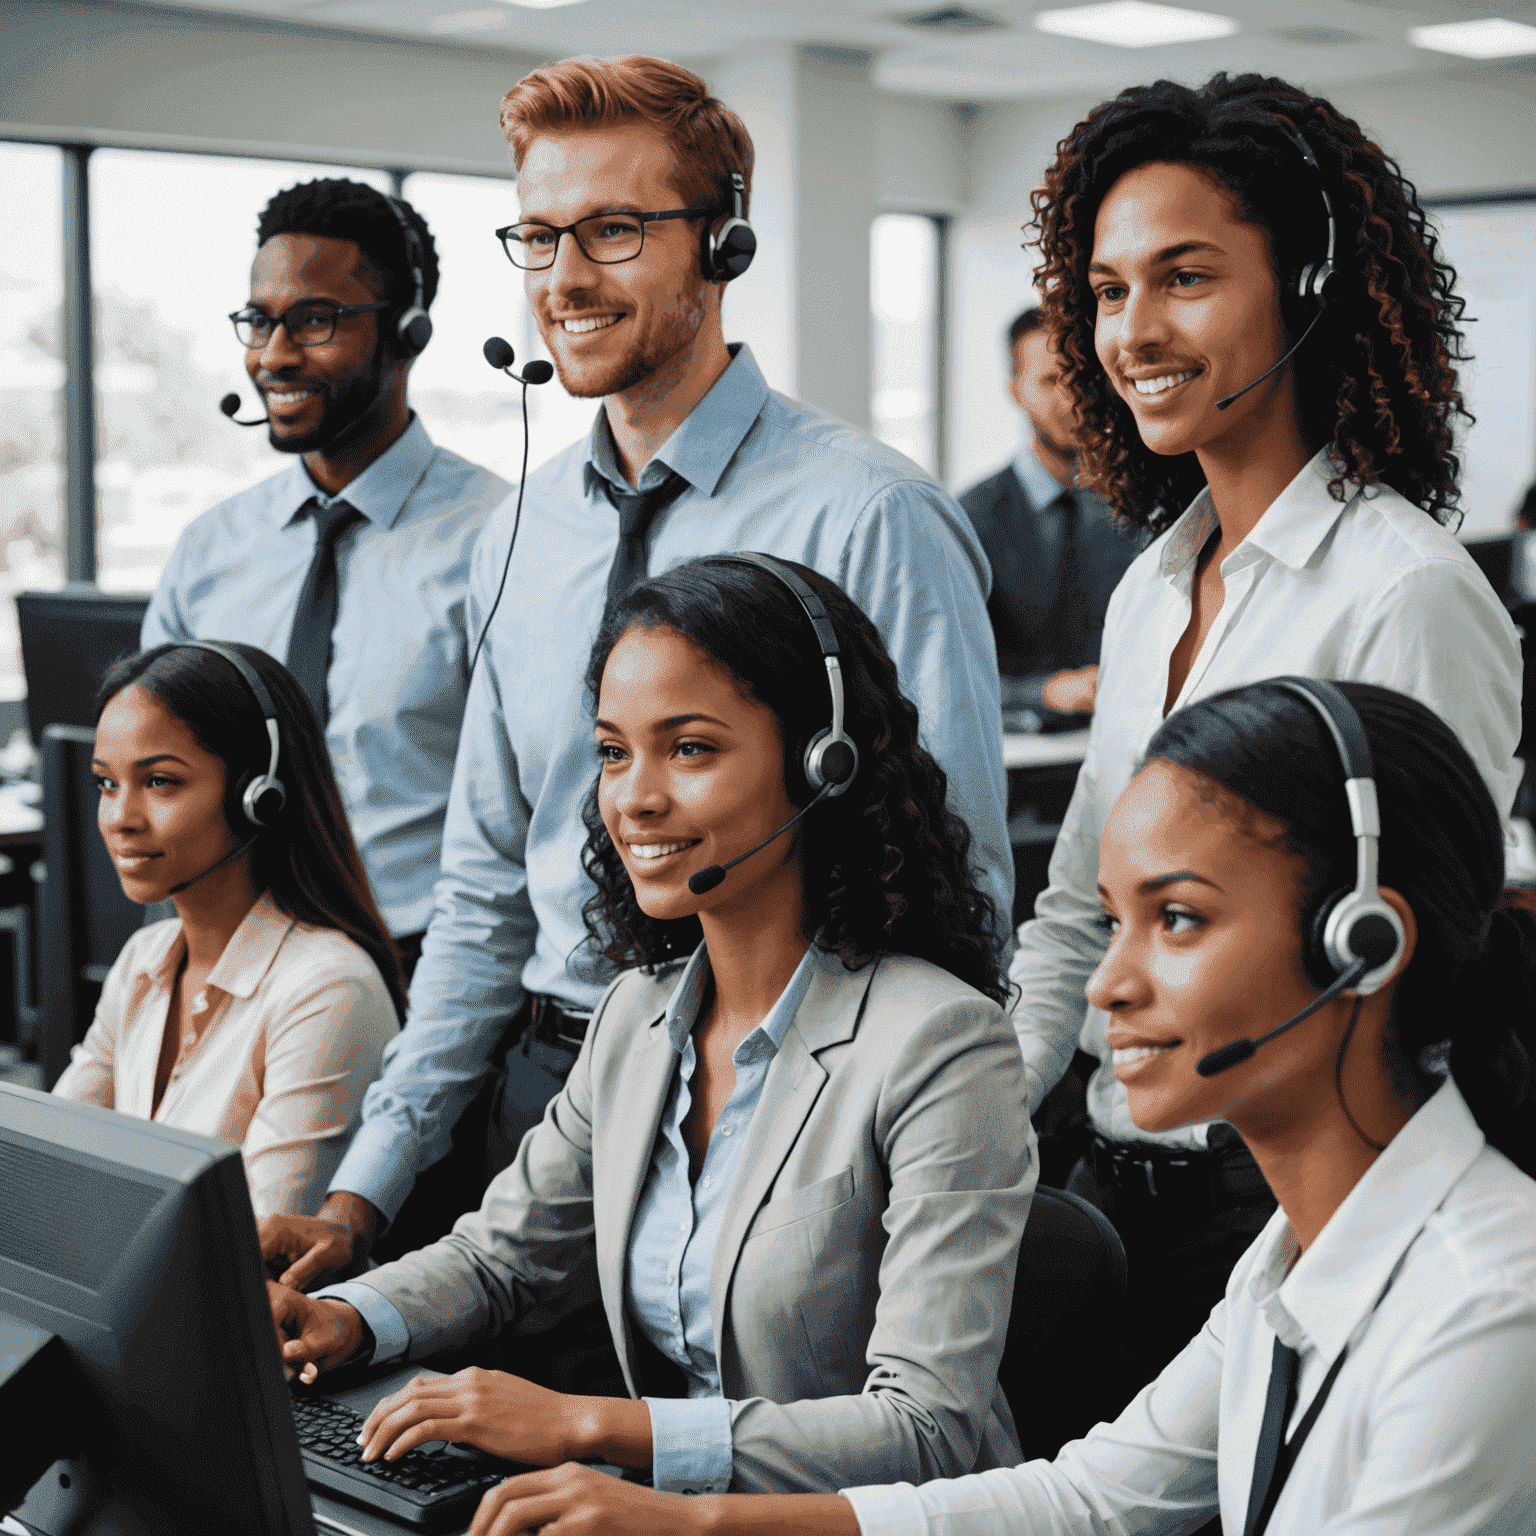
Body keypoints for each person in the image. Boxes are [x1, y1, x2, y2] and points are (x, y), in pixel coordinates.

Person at [259, 56, 1011, 1296]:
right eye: (540, 237)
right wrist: (360, 1192)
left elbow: (963, 883)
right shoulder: (513, 533)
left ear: (723, 243)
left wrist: (920, 1159)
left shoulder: (871, 515)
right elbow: (485, 891)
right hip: (551, 1089)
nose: (565, 278)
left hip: (791, 1107)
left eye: (613, 231)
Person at [461, 678, 1536, 1534]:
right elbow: (1089, 1503)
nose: (1107, 986)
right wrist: (684, 1524)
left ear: (1363, 946)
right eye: (1115, 922)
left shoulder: (1488, 1307)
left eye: (1179, 920)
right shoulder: (1292, 1266)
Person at [268, 556, 1035, 1501]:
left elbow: (927, 1430)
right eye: (613, 751)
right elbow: (502, 1257)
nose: (634, 798)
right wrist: (345, 1318)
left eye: (691, 749)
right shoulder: (638, 1016)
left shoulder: (940, 1043)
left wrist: (588, 1426)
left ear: (822, 763)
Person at [1004, 71, 1523, 1399]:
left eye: (1185, 277)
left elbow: (1427, 977)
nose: (1132, 331)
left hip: (1281, 1207)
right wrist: (982, 1140)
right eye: (1109, 291)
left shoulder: (1401, 591)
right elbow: (1079, 915)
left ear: (1305, 288)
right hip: (1104, 1176)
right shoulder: (1151, 588)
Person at [142, 178, 509, 978]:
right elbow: (155, 784)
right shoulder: (211, 551)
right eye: (260, 321)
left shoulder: (500, 540)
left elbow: (524, 817)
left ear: (406, 333)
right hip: (233, 953)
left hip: (414, 966)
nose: (274, 356)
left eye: (314, 321)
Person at [54, 642, 403, 1219]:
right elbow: (52, 1161)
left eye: (161, 782)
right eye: (106, 783)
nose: (120, 818)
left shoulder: (328, 989)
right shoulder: (146, 957)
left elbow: (255, 1241)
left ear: (258, 796)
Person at [960, 307, 1141, 727]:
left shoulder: (1132, 506)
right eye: (1050, 380)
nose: (1073, 398)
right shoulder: (972, 519)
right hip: (1024, 761)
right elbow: (948, 675)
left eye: (1082, 377)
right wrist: (1045, 692)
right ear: (1016, 391)